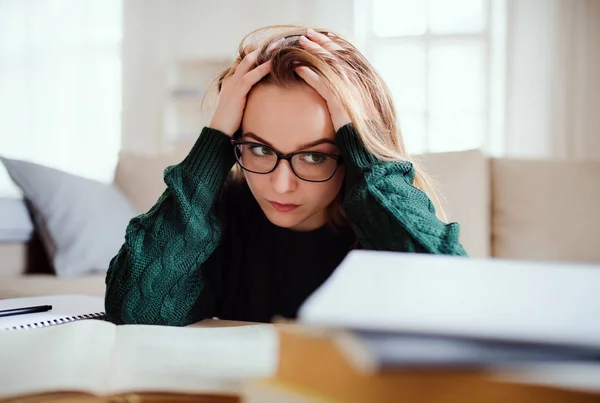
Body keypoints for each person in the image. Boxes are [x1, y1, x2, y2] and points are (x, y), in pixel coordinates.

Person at [104, 25, 467, 326]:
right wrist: (213, 140)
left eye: (314, 156)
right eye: (260, 149)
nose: (279, 185)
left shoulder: (379, 230)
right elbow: (134, 310)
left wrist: (369, 152)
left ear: (353, 151)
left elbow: (457, 303)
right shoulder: (214, 222)